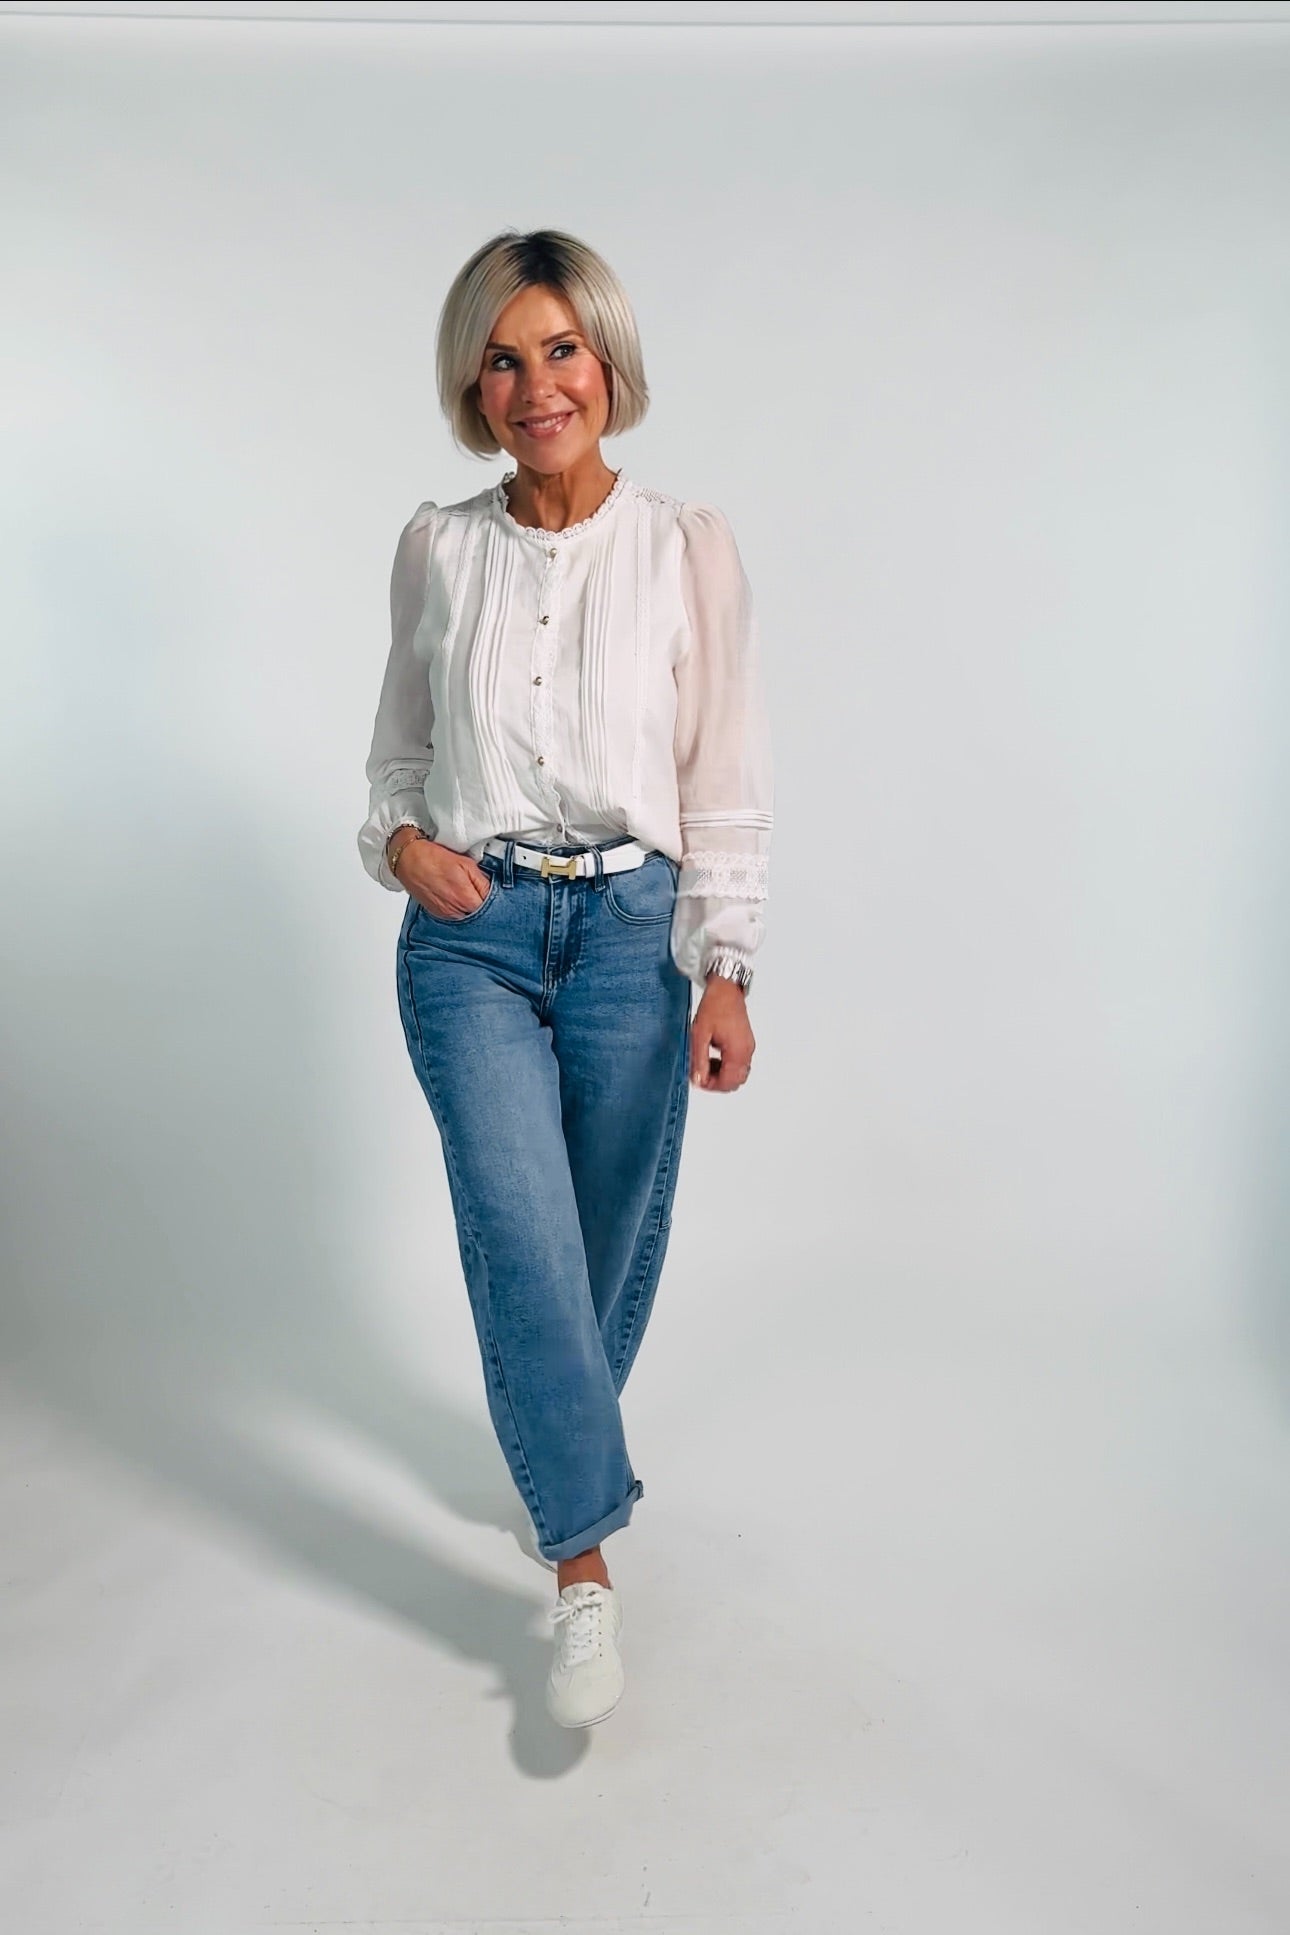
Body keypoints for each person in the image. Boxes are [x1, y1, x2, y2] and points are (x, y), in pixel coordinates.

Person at [356, 227, 773, 1728]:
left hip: (629, 938)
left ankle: (547, 1439)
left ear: (606, 363)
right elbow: (394, 765)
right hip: (470, 940)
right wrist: (404, 847)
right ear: (473, 386)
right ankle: (582, 1568)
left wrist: (726, 964)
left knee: (597, 1252)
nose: (536, 385)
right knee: (522, 1236)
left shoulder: (684, 547)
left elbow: (721, 771)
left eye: (561, 350)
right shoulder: (437, 547)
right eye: (502, 359)